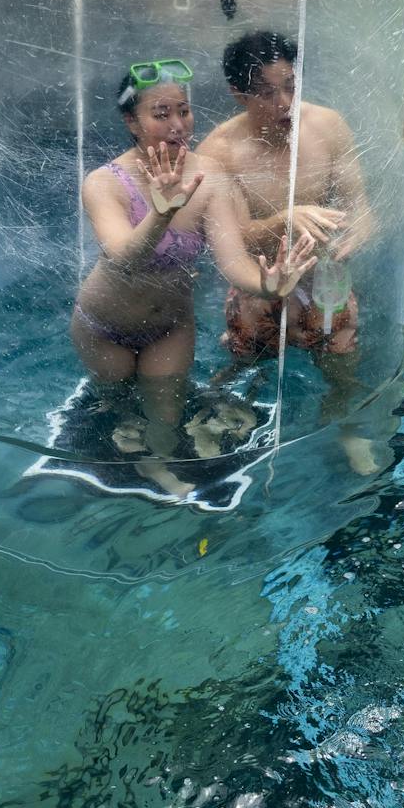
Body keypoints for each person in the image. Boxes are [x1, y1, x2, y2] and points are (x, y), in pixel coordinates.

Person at [72, 58, 316, 496]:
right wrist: (160, 215)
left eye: (183, 111)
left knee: (166, 411)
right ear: (132, 121)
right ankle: (118, 471)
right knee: (116, 407)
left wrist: (270, 284)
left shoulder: (209, 177)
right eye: (160, 114)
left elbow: (232, 262)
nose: (177, 124)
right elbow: (124, 257)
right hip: (103, 327)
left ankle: (159, 465)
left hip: (170, 325)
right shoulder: (103, 183)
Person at [195, 30, 381, 474]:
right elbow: (231, 241)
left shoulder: (328, 126)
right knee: (243, 368)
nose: (285, 104)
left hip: (325, 280)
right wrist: (284, 220)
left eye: (291, 87)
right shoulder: (219, 152)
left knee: (342, 365)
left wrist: (360, 230)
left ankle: (345, 429)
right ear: (238, 94)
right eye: (267, 93)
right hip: (259, 285)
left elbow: (361, 206)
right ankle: (223, 428)